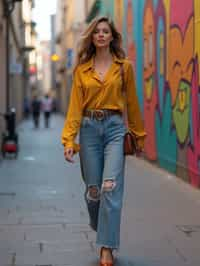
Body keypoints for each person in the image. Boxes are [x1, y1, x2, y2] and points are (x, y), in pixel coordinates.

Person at [61, 16, 146, 266]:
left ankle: (106, 247)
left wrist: (138, 136)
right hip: (88, 130)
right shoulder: (81, 70)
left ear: (111, 36)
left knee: (111, 187)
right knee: (94, 192)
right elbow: (75, 108)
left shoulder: (124, 68)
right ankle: (104, 227)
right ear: (92, 37)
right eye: (96, 31)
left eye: (105, 31)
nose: (100, 35)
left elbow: (132, 102)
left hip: (114, 130)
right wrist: (69, 140)